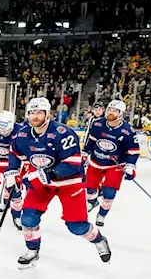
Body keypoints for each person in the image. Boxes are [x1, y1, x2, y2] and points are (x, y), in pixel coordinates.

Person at [6, 97, 112, 269]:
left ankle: (99, 240)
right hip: (42, 183)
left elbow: (72, 164)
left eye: (39, 112)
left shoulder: (63, 133)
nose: (35, 116)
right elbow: (15, 154)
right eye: (32, 112)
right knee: (28, 219)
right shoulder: (23, 134)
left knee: (77, 226)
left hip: (69, 183)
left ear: (48, 114)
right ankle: (32, 251)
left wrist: (45, 174)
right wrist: (12, 172)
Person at [83, 99, 140, 227]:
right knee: (90, 190)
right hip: (95, 162)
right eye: (109, 109)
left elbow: (133, 151)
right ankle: (92, 202)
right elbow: (91, 141)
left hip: (115, 165)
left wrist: (130, 166)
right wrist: (85, 153)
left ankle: (102, 214)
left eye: (114, 110)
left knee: (109, 193)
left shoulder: (127, 131)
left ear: (121, 113)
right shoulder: (97, 124)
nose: (110, 112)